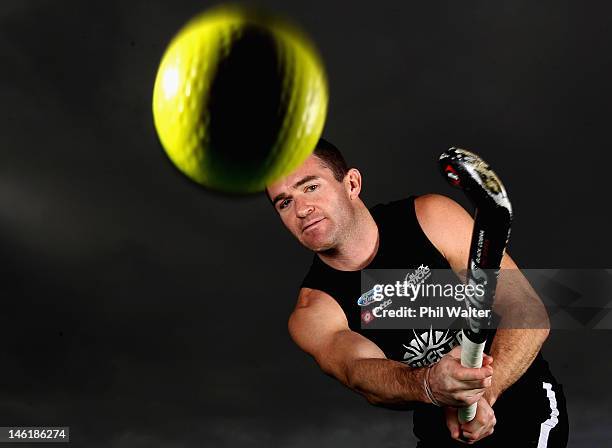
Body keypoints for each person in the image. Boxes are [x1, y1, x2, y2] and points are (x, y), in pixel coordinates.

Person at [266, 138, 568, 447]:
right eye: (284, 203)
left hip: (524, 405)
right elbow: (359, 372)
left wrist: (484, 394)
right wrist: (429, 384)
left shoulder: (430, 219)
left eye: (310, 187)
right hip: (442, 431)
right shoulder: (313, 311)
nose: (302, 209)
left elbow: (529, 312)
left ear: (352, 183)